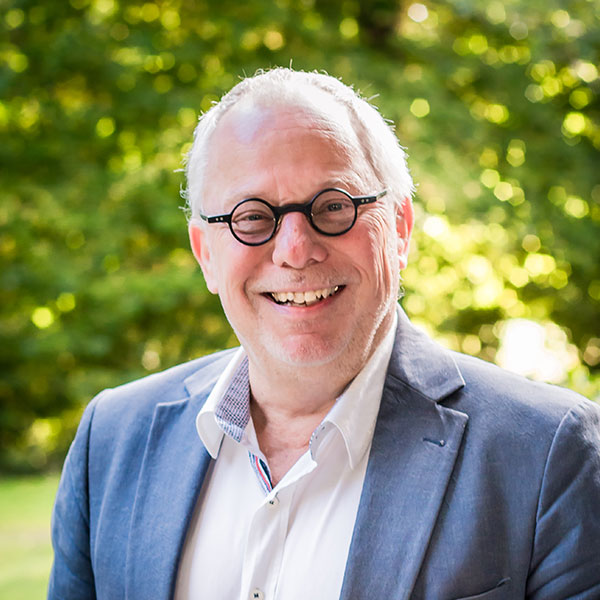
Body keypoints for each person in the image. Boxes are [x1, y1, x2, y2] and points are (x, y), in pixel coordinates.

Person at [49, 68, 600, 600]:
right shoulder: (111, 441)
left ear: (400, 229)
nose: (295, 250)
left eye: (333, 206)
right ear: (206, 254)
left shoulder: (547, 452)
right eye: (252, 217)